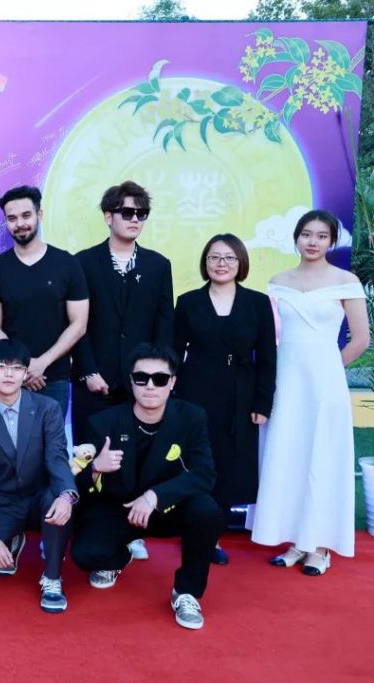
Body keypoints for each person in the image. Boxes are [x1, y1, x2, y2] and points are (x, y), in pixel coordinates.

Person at [249, 210, 369, 576]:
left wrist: (330, 368)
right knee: (287, 454)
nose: (312, 242)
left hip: (325, 384)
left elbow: (360, 340)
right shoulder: (277, 282)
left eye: (321, 236)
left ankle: (319, 546)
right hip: (285, 380)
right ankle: (295, 541)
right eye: (306, 234)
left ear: (331, 241)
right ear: (296, 238)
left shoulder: (346, 281)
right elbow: (270, 337)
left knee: (322, 456)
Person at [70, 344, 222, 630]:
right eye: (142, 378)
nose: (150, 386)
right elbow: (79, 485)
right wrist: (95, 469)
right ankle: (121, 556)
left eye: (160, 379)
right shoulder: (103, 422)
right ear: (131, 381)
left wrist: (155, 496)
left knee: (206, 509)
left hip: (166, 508)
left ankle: (186, 592)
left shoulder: (192, 418)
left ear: (172, 382)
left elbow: (204, 474)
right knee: (85, 554)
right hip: (119, 508)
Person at [72, 181, 174, 560]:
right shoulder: (83, 262)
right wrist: (87, 371)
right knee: (91, 455)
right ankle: (87, 526)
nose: (135, 219)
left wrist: (154, 379)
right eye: (127, 212)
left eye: (141, 213)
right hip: (94, 381)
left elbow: (164, 327)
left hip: (141, 385)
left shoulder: (158, 265)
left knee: (138, 457)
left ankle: (132, 531)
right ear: (108, 216)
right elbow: (76, 325)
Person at [173, 234, 276, 565]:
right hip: (196, 392)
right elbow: (173, 353)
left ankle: (212, 534)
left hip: (241, 398)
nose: (221, 264)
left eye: (230, 258)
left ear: (241, 263)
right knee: (198, 461)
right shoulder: (188, 302)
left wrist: (262, 403)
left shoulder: (258, 303)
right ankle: (193, 530)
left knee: (230, 466)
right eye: (214, 257)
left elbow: (268, 359)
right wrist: (170, 397)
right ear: (205, 262)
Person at [0, 340, 77, 613]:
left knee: (57, 500)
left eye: (16, 368)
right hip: (7, 499)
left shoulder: (47, 408)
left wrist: (66, 495)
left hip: (42, 494)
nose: (9, 374)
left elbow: (57, 458)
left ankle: (52, 577)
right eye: (1, 367)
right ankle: (11, 538)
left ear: (26, 373)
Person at [0, 185, 88, 412]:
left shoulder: (67, 264)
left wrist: (42, 363)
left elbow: (79, 324)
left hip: (54, 378)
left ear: (39, 215)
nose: (20, 223)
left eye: (26, 215)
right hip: (9, 378)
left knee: (51, 436)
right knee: (6, 436)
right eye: (12, 218)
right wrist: (21, 366)